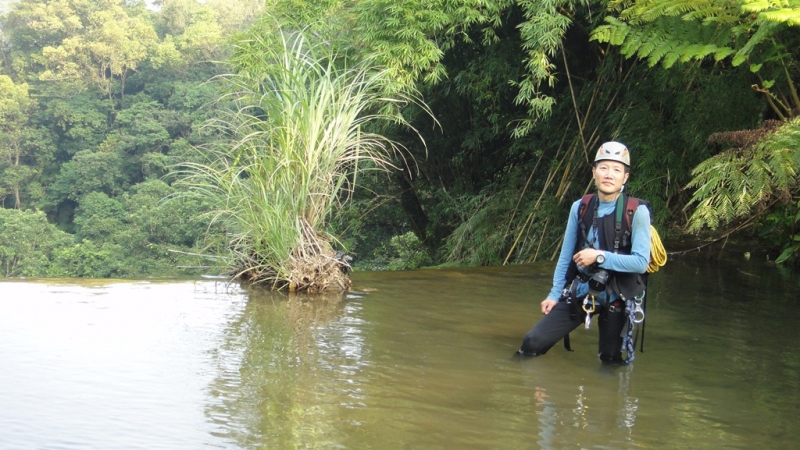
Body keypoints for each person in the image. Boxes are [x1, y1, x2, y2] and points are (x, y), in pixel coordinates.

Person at [518, 141, 651, 364]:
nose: (609, 174)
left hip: (617, 295)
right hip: (582, 289)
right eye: (604, 168)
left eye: (617, 170)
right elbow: (566, 256)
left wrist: (599, 256)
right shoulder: (580, 207)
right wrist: (554, 293)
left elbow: (640, 263)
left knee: (609, 359)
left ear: (625, 178)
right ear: (594, 172)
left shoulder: (636, 212)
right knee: (531, 343)